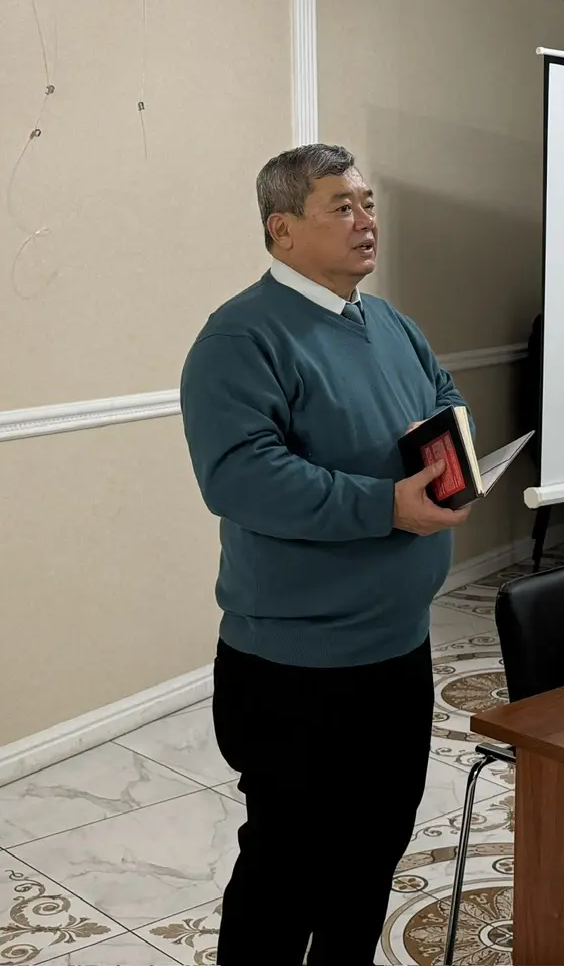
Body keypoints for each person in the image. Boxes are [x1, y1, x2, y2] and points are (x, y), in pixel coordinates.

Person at [180, 143, 469, 964]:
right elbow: (241, 476)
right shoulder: (241, 336)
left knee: (371, 854)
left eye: (368, 203)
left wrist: (454, 460)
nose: (366, 221)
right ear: (282, 229)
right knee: (287, 872)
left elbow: (445, 397)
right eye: (341, 207)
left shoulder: (390, 324)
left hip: (398, 647)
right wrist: (385, 505)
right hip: (296, 669)